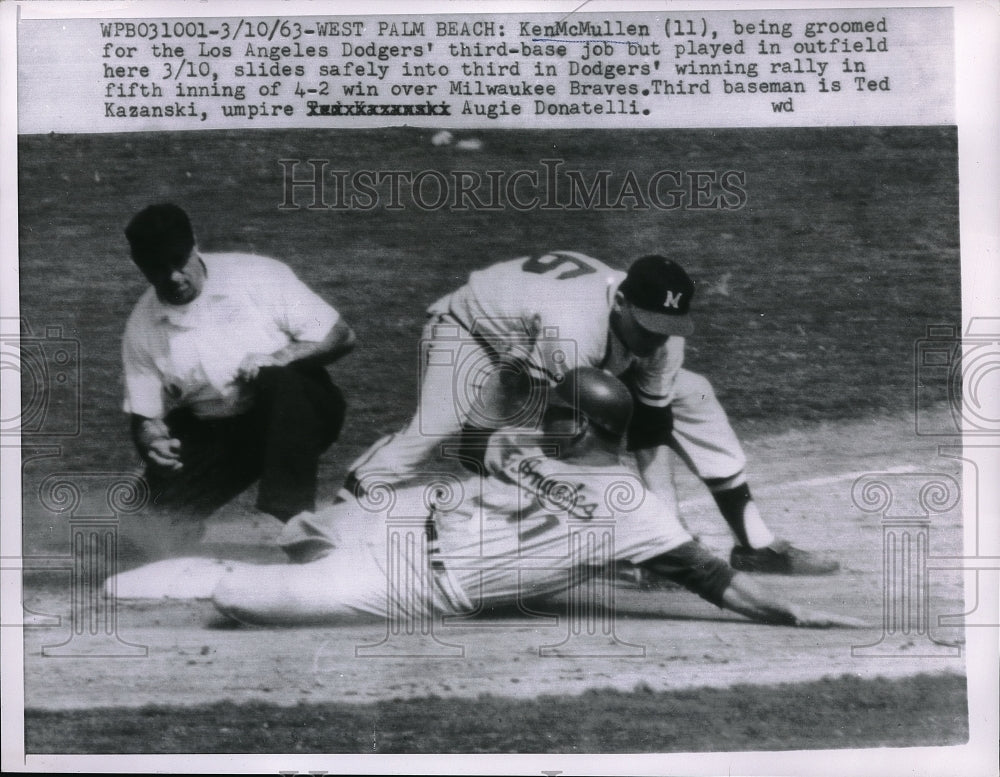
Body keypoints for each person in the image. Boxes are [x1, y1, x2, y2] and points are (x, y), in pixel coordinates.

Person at [212, 369, 863, 628]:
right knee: (295, 534)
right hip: (406, 518)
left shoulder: (635, 510)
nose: (546, 418)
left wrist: (791, 613)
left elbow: (714, 578)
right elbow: (471, 448)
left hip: (419, 579)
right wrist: (495, 392)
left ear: (583, 427)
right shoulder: (530, 445)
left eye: (557, 413)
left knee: (236, 597)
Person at [344, 251, 836, 575]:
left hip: (544, 340)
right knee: (441, 428)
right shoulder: (574, 326)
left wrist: (666, 535)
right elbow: (555, 426)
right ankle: (350, 507)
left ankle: (754, 542)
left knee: (694, 394)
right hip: (472, 331)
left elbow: (649, 430)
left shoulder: (662, 336)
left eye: (667, 326)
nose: (656, 337)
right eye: (647, 324)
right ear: (620, 300)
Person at [119, 203, 355, 561]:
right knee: (140, 532)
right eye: (157, 268)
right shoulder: (141, 325)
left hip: (300, 411)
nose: (173, 277)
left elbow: (341, 335)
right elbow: (145, 415)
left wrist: (279, 356)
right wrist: (154, 442)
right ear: (139, 267)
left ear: (194, 245)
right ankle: (181, 527)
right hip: (222, 432)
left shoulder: (255, 274)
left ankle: (294, 520)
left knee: (277, 378)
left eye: (178, 261)